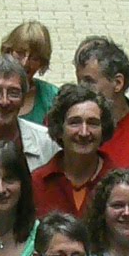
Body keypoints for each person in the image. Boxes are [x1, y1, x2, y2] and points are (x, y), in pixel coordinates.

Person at [32, 83, 117, 218]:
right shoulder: (37, 183)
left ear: (103, 130)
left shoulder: (119, 183)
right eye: (74, 122)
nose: (84, 132)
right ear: (60, 129)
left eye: (92, 123)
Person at [73, 35, 129, 168]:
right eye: (79, 81)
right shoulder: (67, 126)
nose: (81, 89)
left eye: (89, 81)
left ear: (118, 83)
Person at [1, 20, 58, 123]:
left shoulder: (52, 97)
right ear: (8, 52)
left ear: (42, 62)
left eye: (34, 58)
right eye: (20, 53)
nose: (25, 63)